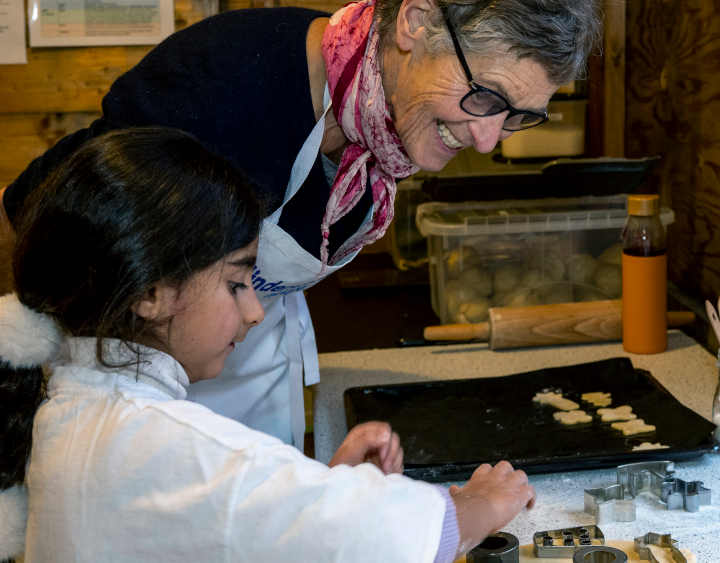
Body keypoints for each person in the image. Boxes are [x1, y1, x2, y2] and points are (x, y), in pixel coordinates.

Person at [1, 0, 603, 451]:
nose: (490, 138)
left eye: (520, 116)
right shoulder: (225, 84)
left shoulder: (381, 131)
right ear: (415, 22)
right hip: (135, 408)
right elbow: (41, 211)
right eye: (487, 96)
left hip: (256, 383)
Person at [0, 128, 535, 561]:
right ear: (150, 293)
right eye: (237, 283)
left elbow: (227, 526)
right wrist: (478, 505)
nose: (255, 312)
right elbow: (388, 537)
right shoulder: (160, 441)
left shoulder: (74, 407)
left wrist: (327, 487)